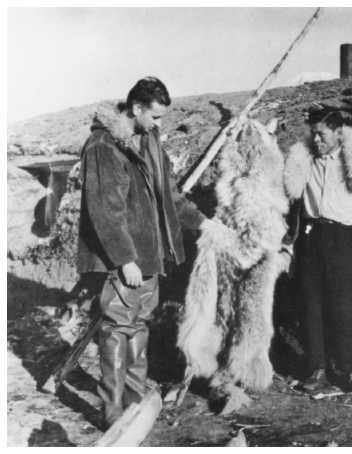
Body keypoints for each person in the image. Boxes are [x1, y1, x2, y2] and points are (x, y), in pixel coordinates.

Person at [77, 77, 207, 428]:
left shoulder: (148, 139)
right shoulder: (103, 146)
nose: (160, 124)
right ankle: (112, 409)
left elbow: (171, 195)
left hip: (150, 256)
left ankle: (135, 400)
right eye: (156, 116)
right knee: (117, 328)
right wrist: (125, 260)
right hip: (125, 260)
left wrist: (203, 223)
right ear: (136, 108)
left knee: (139, 326)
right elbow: (105, 211)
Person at [282, 110, 352, 392]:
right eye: (313, 132)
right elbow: (292, 203)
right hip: (312, 237)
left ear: (338, 133)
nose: (316, 139)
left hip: (344, 238)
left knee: (347, 306)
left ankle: (350, 370)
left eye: (321, 133)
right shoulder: (303, 162)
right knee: (312, 305)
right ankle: (317, 369)